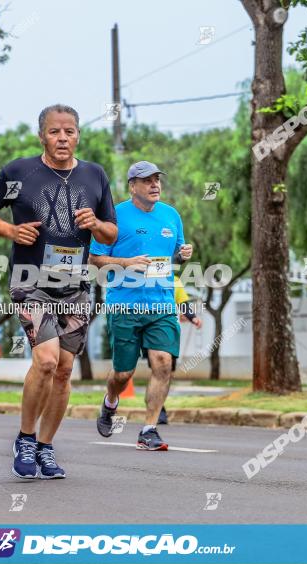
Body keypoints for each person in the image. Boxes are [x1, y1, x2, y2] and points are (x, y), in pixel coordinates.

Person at [0, 104, 117, 479]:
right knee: (47, 360)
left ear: (78, 135)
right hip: (30, 281)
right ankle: (24, 437)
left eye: (69, 131)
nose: (63, 138)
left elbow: (111, 234)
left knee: (65, 371)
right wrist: (10, 231)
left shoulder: (95, 175)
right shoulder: (19, 172)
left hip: (75, 286)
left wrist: (96, 223)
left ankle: (46, 447)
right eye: (55, 132)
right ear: (42, 136)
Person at [89, 161, 192, 450]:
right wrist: (126, 263)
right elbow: (94, 258)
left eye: (157, 179)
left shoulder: (171, 215)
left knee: (163, 363)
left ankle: (149, 429)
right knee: (123, 374)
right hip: (125, 305)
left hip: (162, 305)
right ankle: (110, 403)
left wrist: (184, 254)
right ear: (132, 186)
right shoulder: (114, 217)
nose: (155, 185)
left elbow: (175, 254)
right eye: (147, 180)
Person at [157, 278, 202, 425]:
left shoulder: (174, 280)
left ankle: (158, 405)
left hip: (169, 332)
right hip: (150, 330)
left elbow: (183, 304)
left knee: (167, 373)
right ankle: (159, 410)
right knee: (158, 369)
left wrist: (193, 317)